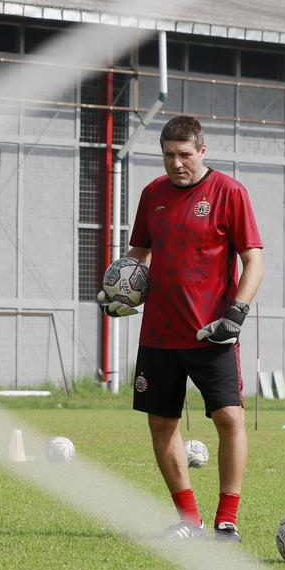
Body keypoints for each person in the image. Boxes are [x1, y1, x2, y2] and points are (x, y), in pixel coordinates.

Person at [97, 115, 264, 542]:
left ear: (202, 151)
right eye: (169, 155)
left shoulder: (229, 192)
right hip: (158, 334)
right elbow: (138, 254)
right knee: (161, 423)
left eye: (185, 154)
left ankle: (227, 520)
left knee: (229, 417)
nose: (176, 163)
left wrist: (236, 314)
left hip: (211, 331)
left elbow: (254, 261)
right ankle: (189, 519)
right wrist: (118, 291)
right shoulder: (152, 194)